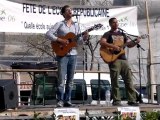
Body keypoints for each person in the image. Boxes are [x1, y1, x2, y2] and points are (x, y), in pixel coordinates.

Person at [46, 5, 88, 107]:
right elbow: (48, 34)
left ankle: (67, 100)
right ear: (64, 13)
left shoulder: (76, 25)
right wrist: (59, 40)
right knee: (61, 79)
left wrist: (85, 38)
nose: (70, 11)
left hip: (73, 54)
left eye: (71, 9)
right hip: (62, 54)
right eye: (68, 10)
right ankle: (60, 100)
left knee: (70, 80)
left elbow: (78, 42)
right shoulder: (60, 24)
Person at [99, 17, 140, 106]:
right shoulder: (107, 34)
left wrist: (136, 42)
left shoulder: (123, 34)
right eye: (113, 22)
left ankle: (132, 100)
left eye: (117, 22)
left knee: (129, 80)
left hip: (123, 59)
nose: (116, 24)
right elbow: (102, 42)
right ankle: (117, 100)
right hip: (114, 59)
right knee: (115, 81)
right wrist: (114, 47)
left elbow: (129, 45)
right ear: (110, 24)